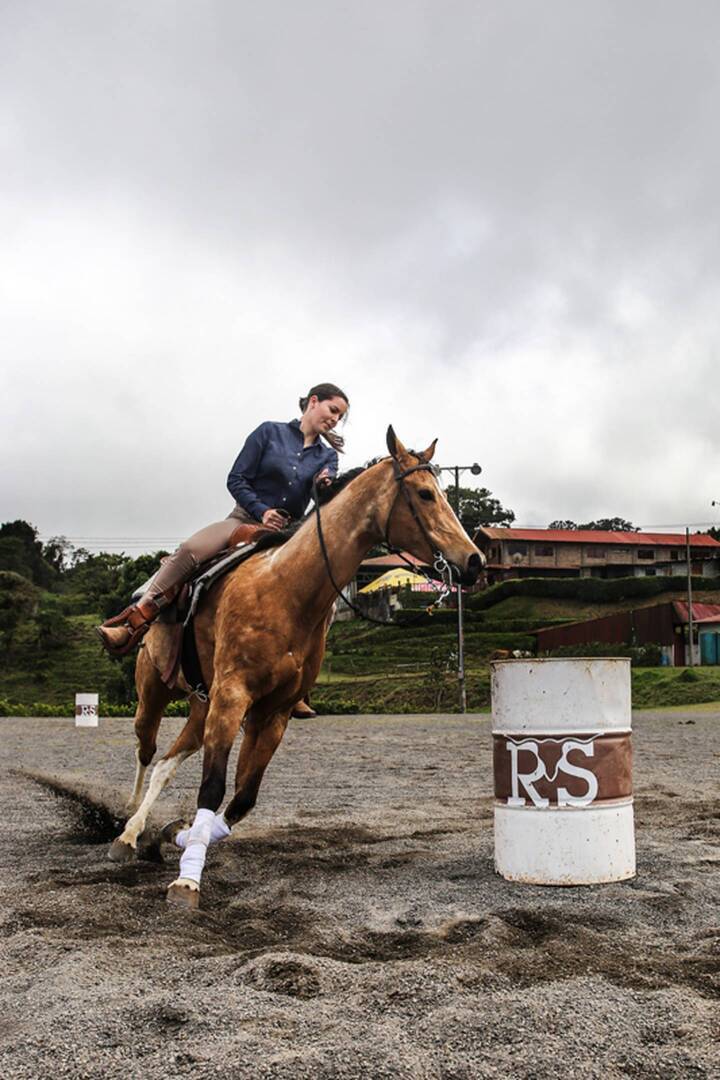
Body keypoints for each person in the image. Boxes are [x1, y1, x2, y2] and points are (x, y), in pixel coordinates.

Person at [96, 383, 350, 680]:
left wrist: (324, 486)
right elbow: (236, 479)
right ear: (314, 401)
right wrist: (262, 511)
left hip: (289, 534)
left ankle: (301, 675)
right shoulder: (268, 432)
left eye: (340, 416)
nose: (335, 419)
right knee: (191, 550)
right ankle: (134, 621)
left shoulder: (327, 457)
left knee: (329, 605)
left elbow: (323, 494)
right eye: (333, 410)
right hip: (244, 520)